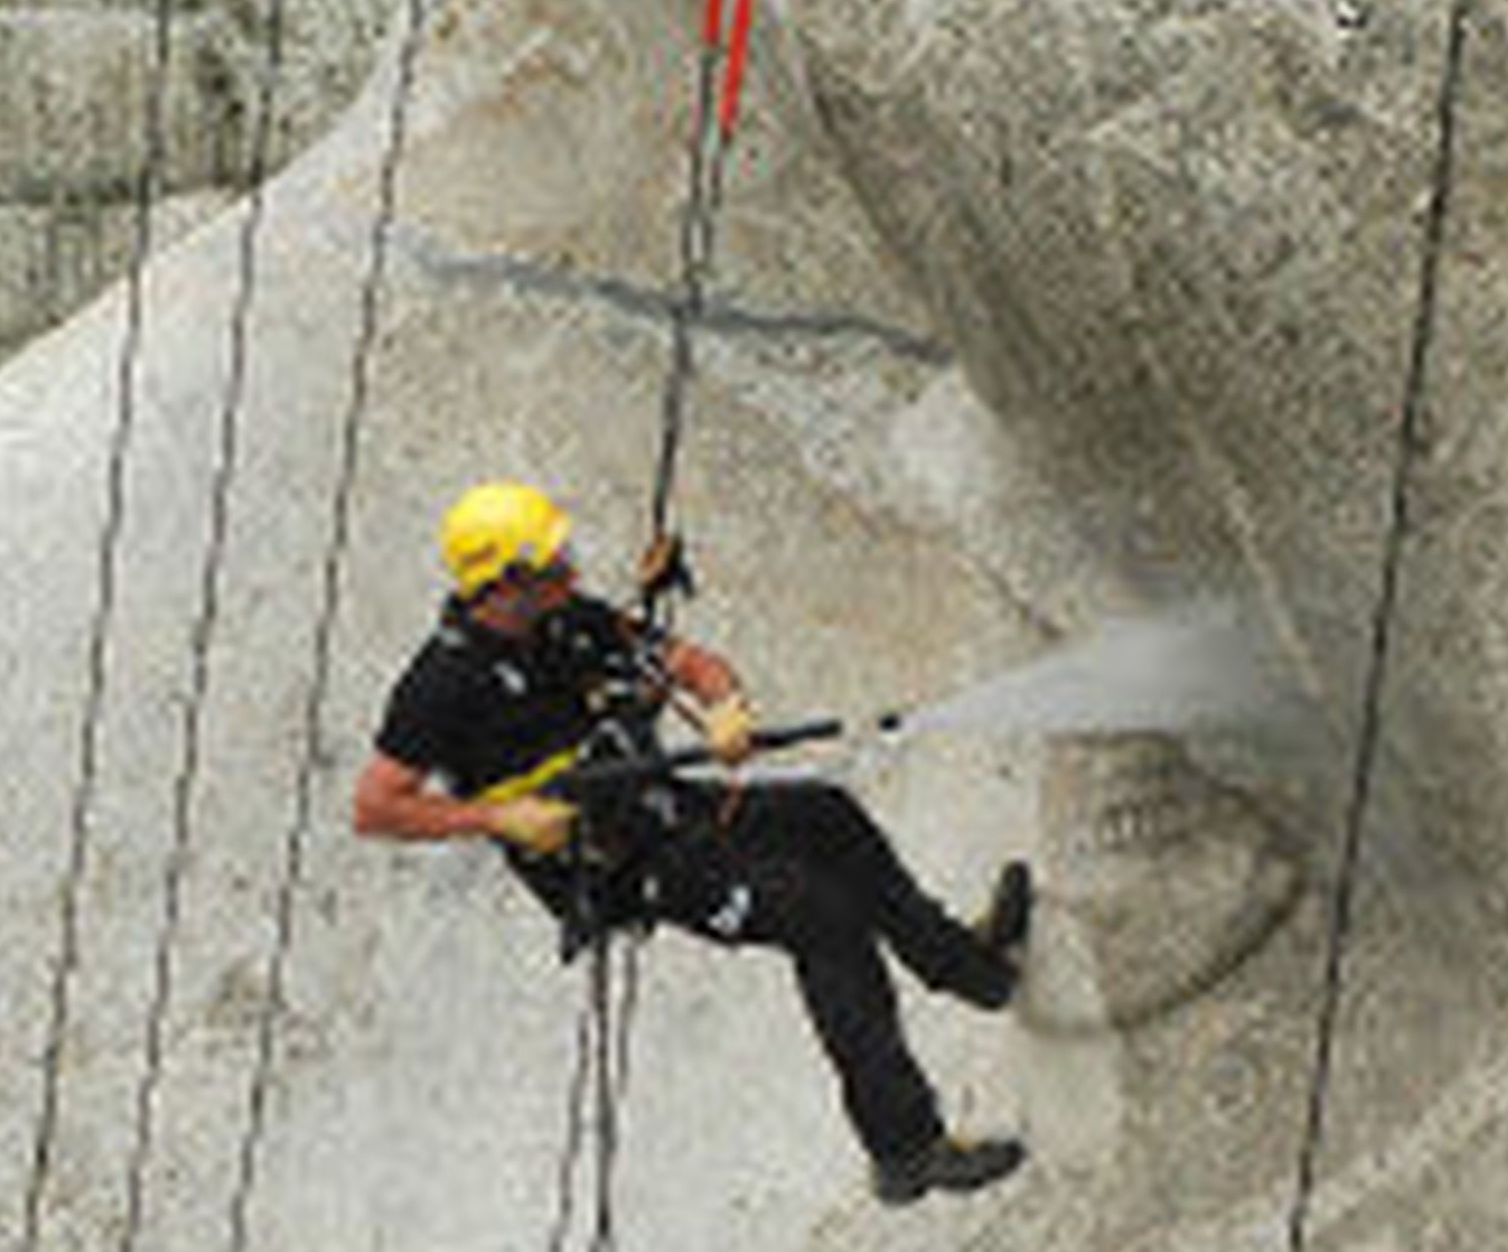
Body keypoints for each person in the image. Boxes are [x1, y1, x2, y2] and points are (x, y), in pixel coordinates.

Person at [351, 482, 1032, 1204]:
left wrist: (726, 707)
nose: (571, 574)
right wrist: (495, 820)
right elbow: (375, 806)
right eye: (552, 565)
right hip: (621, 866)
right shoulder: (441, 684)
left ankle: (967, 967)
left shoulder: (567, 622)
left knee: (827, 817)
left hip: (669, 806)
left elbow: (689, 663)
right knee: (821, 919)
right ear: (503, 585)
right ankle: (906, 1149)